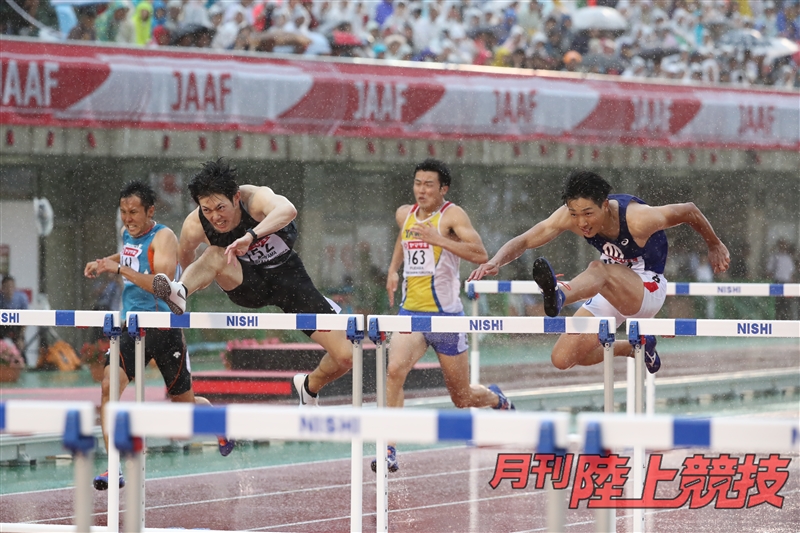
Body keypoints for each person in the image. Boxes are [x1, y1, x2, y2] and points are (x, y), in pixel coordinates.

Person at [469, 170, 730, 374]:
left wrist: (714, 244)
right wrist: (496, 261)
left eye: (588, 214)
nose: (581, 222)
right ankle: (632, 346)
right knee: (563, 358)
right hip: (608, 290)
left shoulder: (638, 218)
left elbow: (689, 210)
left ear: (605, 205)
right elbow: (527, 239)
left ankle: (558, 296)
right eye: (574, 214)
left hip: (646, 289)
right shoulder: (571, 217)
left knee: (599, 268)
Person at [151, 158, 354, 408]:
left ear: (236, 198)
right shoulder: (195, 224)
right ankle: (181, 292)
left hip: (288, 277)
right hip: (247, 283)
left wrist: (251, 236)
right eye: (207, 209)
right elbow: (186, 255)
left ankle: (309, 388)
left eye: (220, 207)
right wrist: (188, 282)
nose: (215, 217)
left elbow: (288, 210)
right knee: (214, 254)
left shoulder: (255, 199)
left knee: (346, 357)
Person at [84, 181, 235, 491]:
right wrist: (104, 263)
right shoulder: (129, 234)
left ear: (150, 211)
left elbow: (162, 286)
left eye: (134, 212)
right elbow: (129, 255)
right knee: (109, 387)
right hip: (132, 328)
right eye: (123, 212)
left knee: (185, 406)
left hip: (164, 329)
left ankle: (218, 422)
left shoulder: (164, 237)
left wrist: (119, 270)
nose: (128, 218)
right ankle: (114, 465)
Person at [381, 159, 514, 473]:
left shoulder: (452, 215)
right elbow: (404, 237)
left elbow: (480, 254)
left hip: (446, 317)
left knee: (462, 397)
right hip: (411, 314)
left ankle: (496, 399)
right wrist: (392, 270)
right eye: (417, 183)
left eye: (429, 184)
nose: (422, 190)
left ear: (443, 189)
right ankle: (388, 447)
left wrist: (439, 239)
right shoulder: (405, 214)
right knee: (394, 371)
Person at [766, 239, 796, 320]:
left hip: (787, 283)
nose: (783, 247)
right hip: (777, 282)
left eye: (785, 245)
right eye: (781, 245)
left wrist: (792, 284)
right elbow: (769, 272)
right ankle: (777, 318)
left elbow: (791, 273)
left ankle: (785, 319)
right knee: (777, 304)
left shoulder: (788, 258)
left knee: (786, 304)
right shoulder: (775, 257)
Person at [0, 275, 29, 355]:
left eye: (11, 286)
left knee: (20, 352)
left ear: (15, 287)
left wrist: (21, 337)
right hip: (2, 329)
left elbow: (25, 319)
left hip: (17, 329)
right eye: (6, 287)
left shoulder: (21, 298)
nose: (9, 289)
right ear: (2, 288)